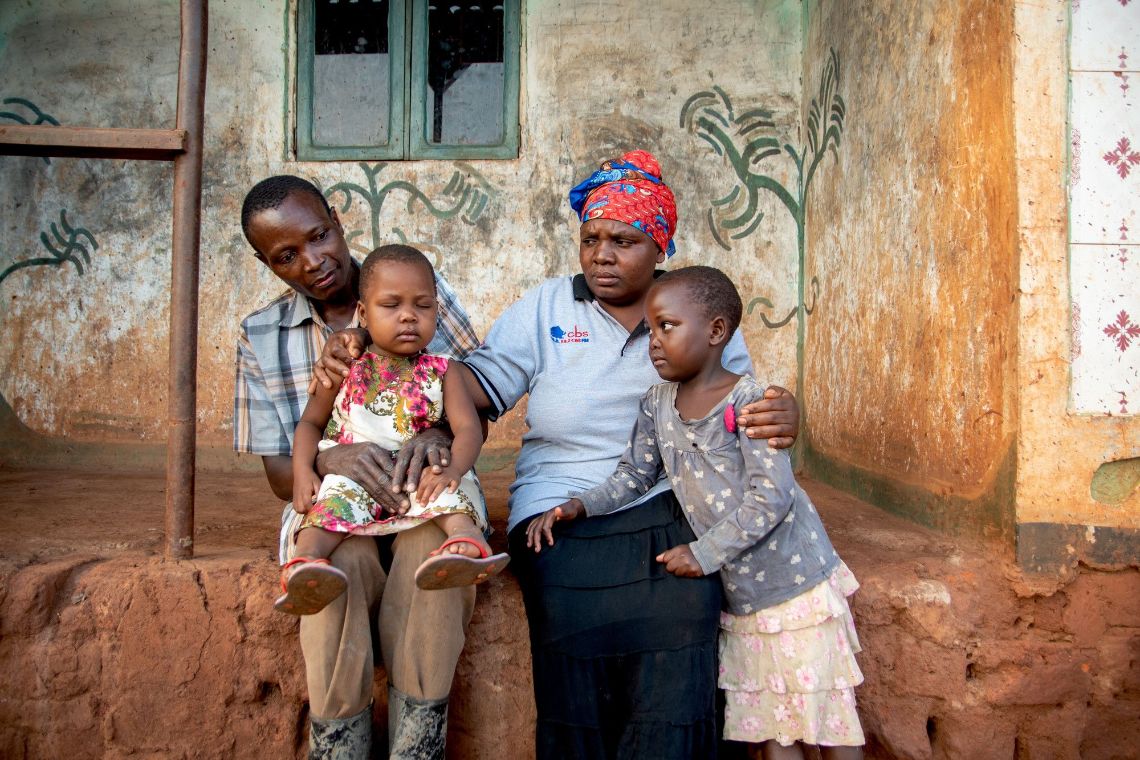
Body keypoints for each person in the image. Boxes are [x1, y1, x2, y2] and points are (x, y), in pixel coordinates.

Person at [315, 150, 802, 759]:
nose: (602, 253)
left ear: (660, 247)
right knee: (573, 618)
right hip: (556, 502)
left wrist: (785, 412)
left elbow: (746, 404)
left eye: (624, 240)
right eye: (592, 237)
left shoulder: (696, 312)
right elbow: (474, 384)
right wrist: (427, 411)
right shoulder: (547, 308)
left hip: (669, 498)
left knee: (685, 612)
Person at [527, 265, 865, 760]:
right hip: (743, 598)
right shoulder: (657, 403)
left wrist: (703, 553)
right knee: (775, 729)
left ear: (715, 332)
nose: (654, 342)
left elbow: (771, 497)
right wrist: (581, 505)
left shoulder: (750, 403)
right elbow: (634, 476)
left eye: (667, 326)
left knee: (828, 724)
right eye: (650, 329)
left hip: (794, 592)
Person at [234, 176, 483, 758]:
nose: (313, 261)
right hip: (339, 500)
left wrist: (435, 431)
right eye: (286, 256)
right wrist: (329, 455)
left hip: (422, 489)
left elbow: (477, 408)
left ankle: (415, 746)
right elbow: (282, 472)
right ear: (266, 263)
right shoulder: (260, 335)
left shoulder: (415, 287)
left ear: (338, 220)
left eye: (319, 236)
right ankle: (338, 747)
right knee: (333, 570)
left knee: (432, 559)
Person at [277, 244, 509, 616]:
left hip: (417, 475)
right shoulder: (341, 366)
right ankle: (306, 563)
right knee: (334, 494)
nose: (408, 317)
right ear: (363, 315)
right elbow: (310, 423)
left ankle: (463, 542)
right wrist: (304, 470)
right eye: (391, 306)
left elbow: (469, 430)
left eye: (422, 305)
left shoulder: (446, 371)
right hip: (356, 475)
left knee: (448, 484)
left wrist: (453, 468)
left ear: (437, 309)